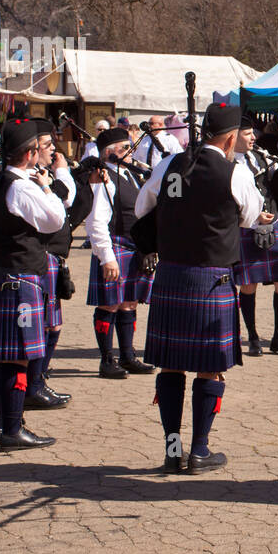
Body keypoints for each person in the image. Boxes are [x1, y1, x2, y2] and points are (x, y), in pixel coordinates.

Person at [135, 102, 261, 474]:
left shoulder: (169, 165)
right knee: (209, 369)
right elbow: (251, 217)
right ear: (231, 136)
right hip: (212, 280)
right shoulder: (234, 173)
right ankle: (200, 451)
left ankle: (173, 451)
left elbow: (144, 208)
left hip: (171, 277)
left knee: (171, 367)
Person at [0, 118, 68, 450]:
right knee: (17, 359)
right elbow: (55, 220)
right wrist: (46, 187)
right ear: (29, 154)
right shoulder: (22, 187)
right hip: (20, 277)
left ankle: (2, 427)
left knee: (1, 360)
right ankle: (12, 430)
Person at [25, 118, 89, 410]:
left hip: (52, 257)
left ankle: (38, 381)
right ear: (32, 150)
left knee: (53, 326)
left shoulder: (40, 174)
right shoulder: (29, 180)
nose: (54, 151)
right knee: (42, 328)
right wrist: (61, 170)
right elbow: (65, 198)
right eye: (49, 146)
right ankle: (32, 385)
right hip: (39, 258)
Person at [85, 126, 156, 379]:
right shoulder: (105, 178)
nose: (131, 151)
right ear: (109, 153)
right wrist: (107, 257)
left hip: (133, 248)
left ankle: (128, 356)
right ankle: (107, 361)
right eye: (126, 147)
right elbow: (95, 221)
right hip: (115, 248)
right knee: (109, 306)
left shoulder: (130, 174)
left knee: (129, 304)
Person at [234, 116, 278, 357]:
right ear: (233, 136)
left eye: (252, 133)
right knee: (248, 284)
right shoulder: (226, 163)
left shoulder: (261, 156)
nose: (253, 137)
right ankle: (253, 338)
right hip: (245, 226)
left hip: (271, 221)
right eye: (247, 134)